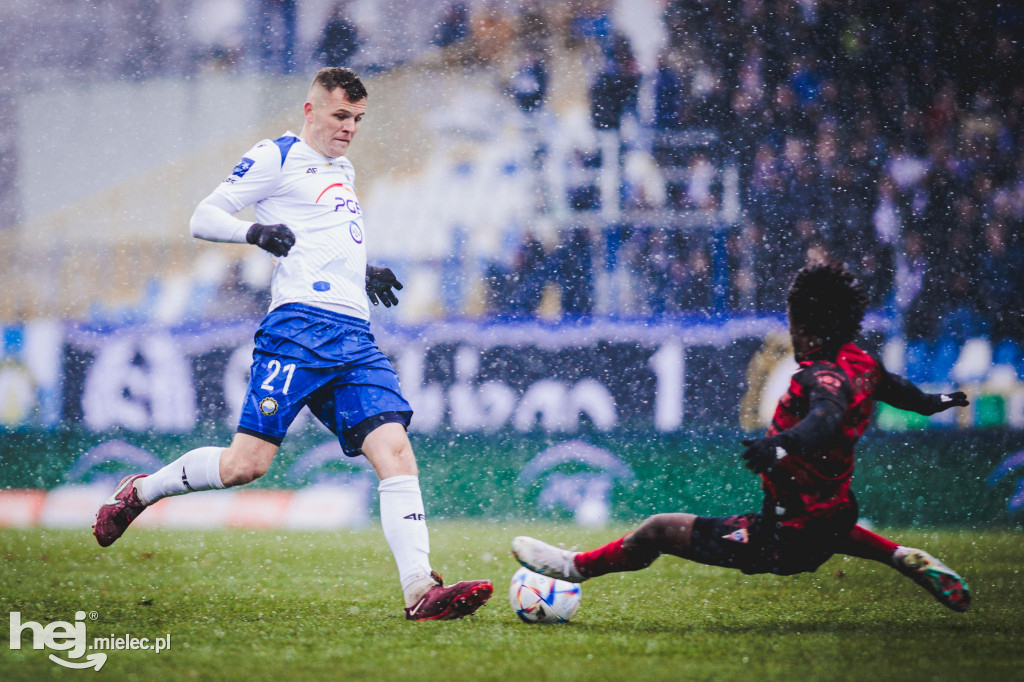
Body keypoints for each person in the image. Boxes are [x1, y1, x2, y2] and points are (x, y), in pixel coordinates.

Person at [93, 67, 494, 622]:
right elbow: (203, 216)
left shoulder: (344, 169)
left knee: (396, 451)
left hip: (354, 334)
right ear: (310, 110)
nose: (349, 128)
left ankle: (419, 590)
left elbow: (323, 235)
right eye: (339, 116)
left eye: (357, 119)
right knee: (245, 465)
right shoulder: (275, 155)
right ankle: (142, 491)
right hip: (298, 330)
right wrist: (253, 234)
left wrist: (363, 270)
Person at [513, 261, 972, 613]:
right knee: (827, 528)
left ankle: (573, 567)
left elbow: (827, 416)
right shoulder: (861, 362)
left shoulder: (824, 375)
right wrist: (942, 401)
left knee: (656, 530)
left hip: (783, 532)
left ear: (802, 323)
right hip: (831, 511)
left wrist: (782, 443)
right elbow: (904, 392)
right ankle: (903, 556)